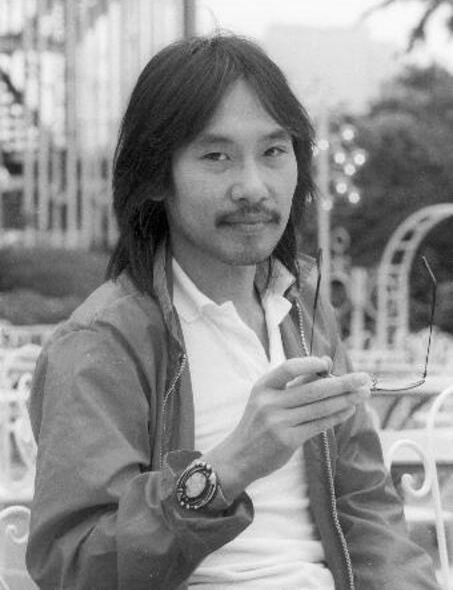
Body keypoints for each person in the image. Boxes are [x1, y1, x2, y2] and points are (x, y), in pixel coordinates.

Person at [26, 34, 439, 590]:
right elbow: (74, 566)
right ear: (156, 177)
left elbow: (366, 506)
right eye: (216, 156)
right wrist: (226, 470)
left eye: (273, 152)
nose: (253, 187)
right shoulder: (102, 342)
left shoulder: (301, 310)